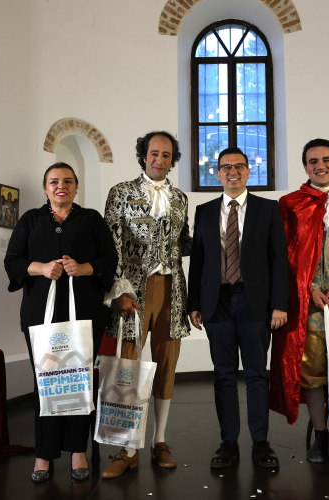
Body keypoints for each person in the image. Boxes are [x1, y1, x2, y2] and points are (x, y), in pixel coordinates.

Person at [4, 162, 118, 483]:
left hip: (85, 313)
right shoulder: (30, 220)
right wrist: (41, 268)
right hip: (40, 315)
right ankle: (43, 453)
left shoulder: (91, 219)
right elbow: (12, 261)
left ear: (76, 187)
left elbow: (110, 260)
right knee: (46, 382)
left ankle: (78, 450)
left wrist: (83, 268)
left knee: (79, 380)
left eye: (67, 181)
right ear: (45, 188)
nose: (60, 186)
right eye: (54, 181)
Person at [188, 147, 289, 469]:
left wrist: (279, 304)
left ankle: (261, 442)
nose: (233, 172)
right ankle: (228, 442)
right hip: (216, 303)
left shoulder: (267, 208)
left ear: (248, 171)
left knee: (257, 374)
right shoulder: (204, 211)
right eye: (226, 167)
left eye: (239, 166)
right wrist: (194, 303)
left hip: (255, 303)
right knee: (224, 375)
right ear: (217, 173)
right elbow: (198, 260)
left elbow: (279, 260)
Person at [101, 131, 192, 479]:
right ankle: (127, 448)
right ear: (143, 156)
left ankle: (160, 440)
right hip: (132, 293)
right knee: (129, 367)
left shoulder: (180, 198)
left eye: (166, 155)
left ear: (172, 160)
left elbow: (183, 243)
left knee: (167, 365)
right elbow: (111, 243)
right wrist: (119, 291)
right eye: (154, 153)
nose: (160, 160)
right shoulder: (121, 192)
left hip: (172, 290)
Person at [270, 139, 329, 465]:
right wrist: (309, 287)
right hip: (307, 303)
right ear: (305, 166)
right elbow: (285, 253)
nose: (320, 165)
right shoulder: (290, 204)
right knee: (311, 372)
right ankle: (321, 434)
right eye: (313, 161)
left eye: (326, 159)